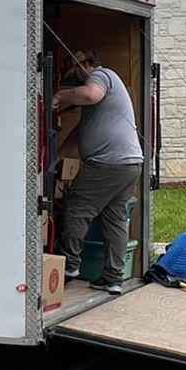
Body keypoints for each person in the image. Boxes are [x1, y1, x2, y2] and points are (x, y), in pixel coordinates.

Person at [52, 49, 144, 294]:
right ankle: (113, 279)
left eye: (73, 70)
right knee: (115, 220)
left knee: (76, 206)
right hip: (129, 164)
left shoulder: (102, 76)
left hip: (107, 163)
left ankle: (70, 265)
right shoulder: (104, 95)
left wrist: (60, 95)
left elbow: (90, 94)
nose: (73, 77)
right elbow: (81, 130)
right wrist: (58, 154)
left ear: (83, 65)